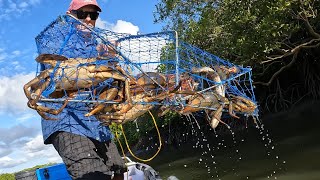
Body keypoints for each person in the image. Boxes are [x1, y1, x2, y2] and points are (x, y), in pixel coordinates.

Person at [41, 0, 126, 179]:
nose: (88, 19)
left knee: (119, 169)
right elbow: (58, 71)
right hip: (66, 119)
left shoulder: (97, 43)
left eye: (93, 15)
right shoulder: (57, 36)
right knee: (92, 174)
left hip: (94, 120)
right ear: (70, 15)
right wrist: (96, 59)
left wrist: (108, 59)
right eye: (82, 14)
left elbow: (104, 87)